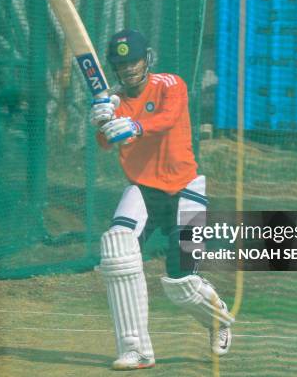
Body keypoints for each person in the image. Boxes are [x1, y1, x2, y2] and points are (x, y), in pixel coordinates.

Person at [91, 29, 234, 370]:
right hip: (143, 189)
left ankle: (218, 320)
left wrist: (134, 126)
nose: (128, 69)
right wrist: (101, 122)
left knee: (181, 283)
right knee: (117, 246)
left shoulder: (171, 84)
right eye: (120, 63)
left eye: (134, 61)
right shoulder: (114, 102)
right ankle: (136, 350)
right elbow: (105, 143)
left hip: (186, 190)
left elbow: (167, 118)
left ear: (148, 58)